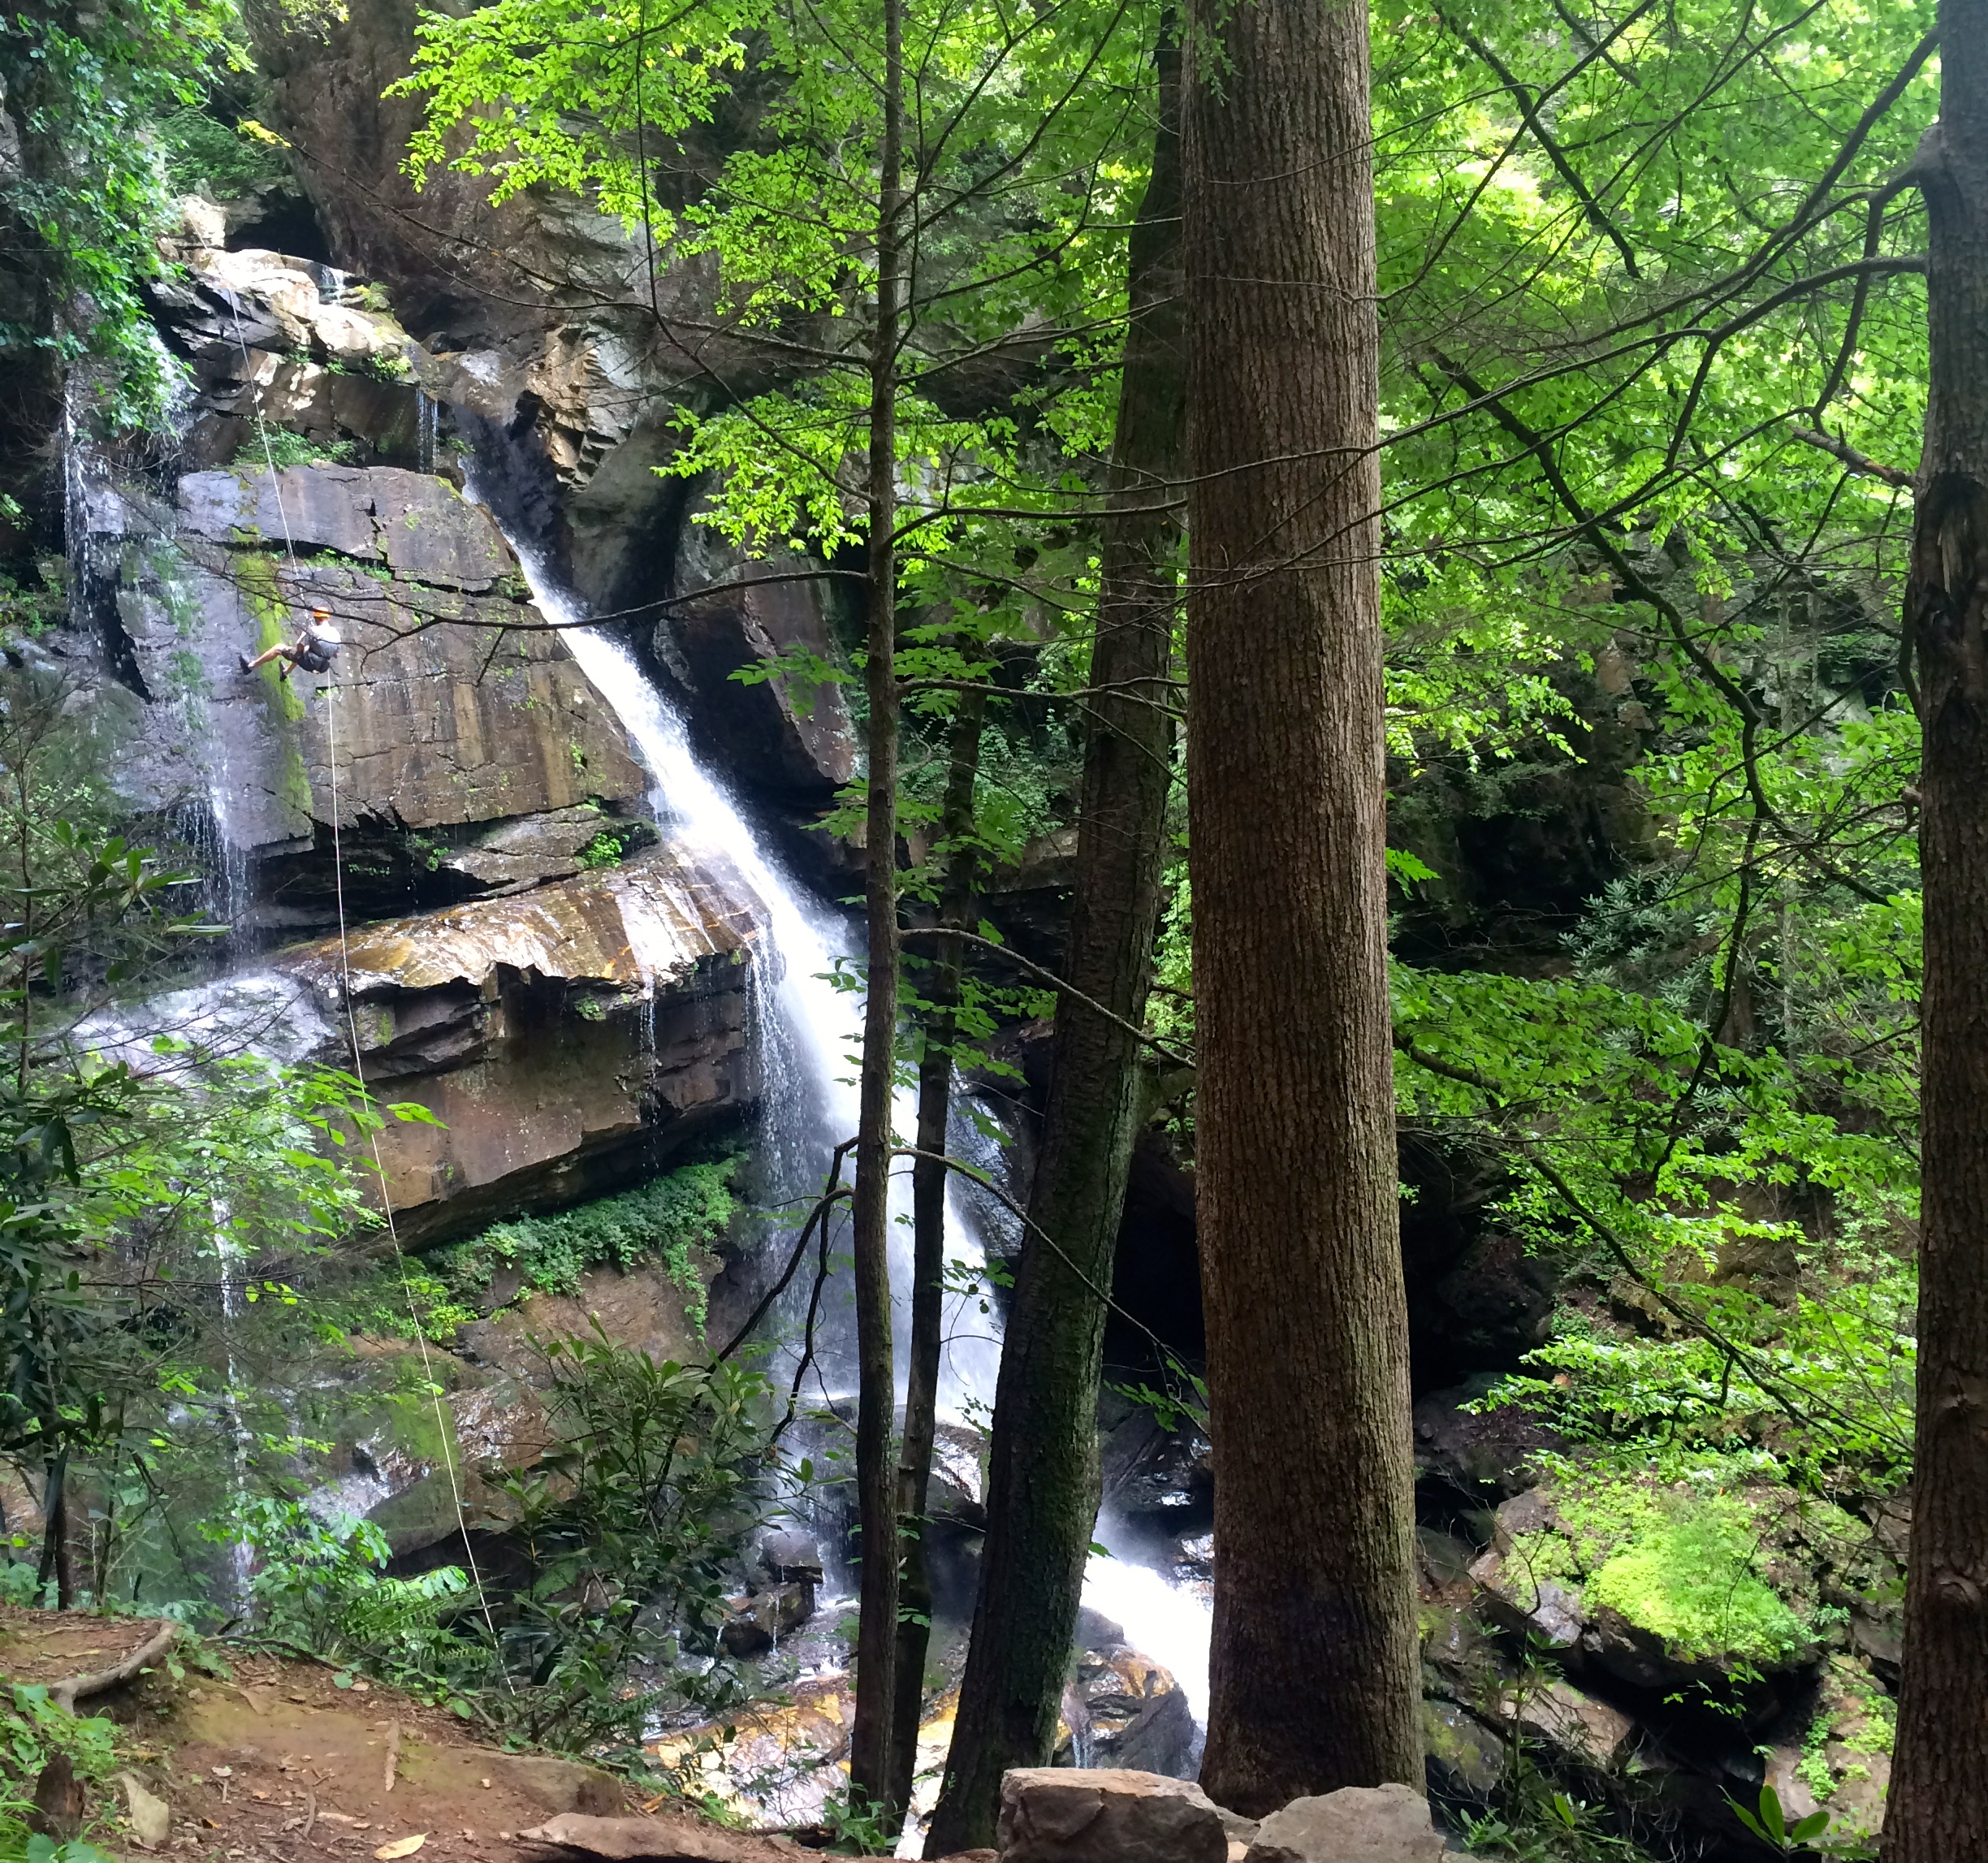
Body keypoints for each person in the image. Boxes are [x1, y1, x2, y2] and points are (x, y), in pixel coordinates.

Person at [240, 608, 342, 679]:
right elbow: (336, 654)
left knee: (279, 648)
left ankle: (250, 667)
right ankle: (285, 672)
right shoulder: (336, 633)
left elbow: (300, 647)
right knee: (301, 653)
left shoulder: (314, 630)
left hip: (310, 664)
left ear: (318, 619)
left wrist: (302, 636)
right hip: (322, 667)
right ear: (327, 618)